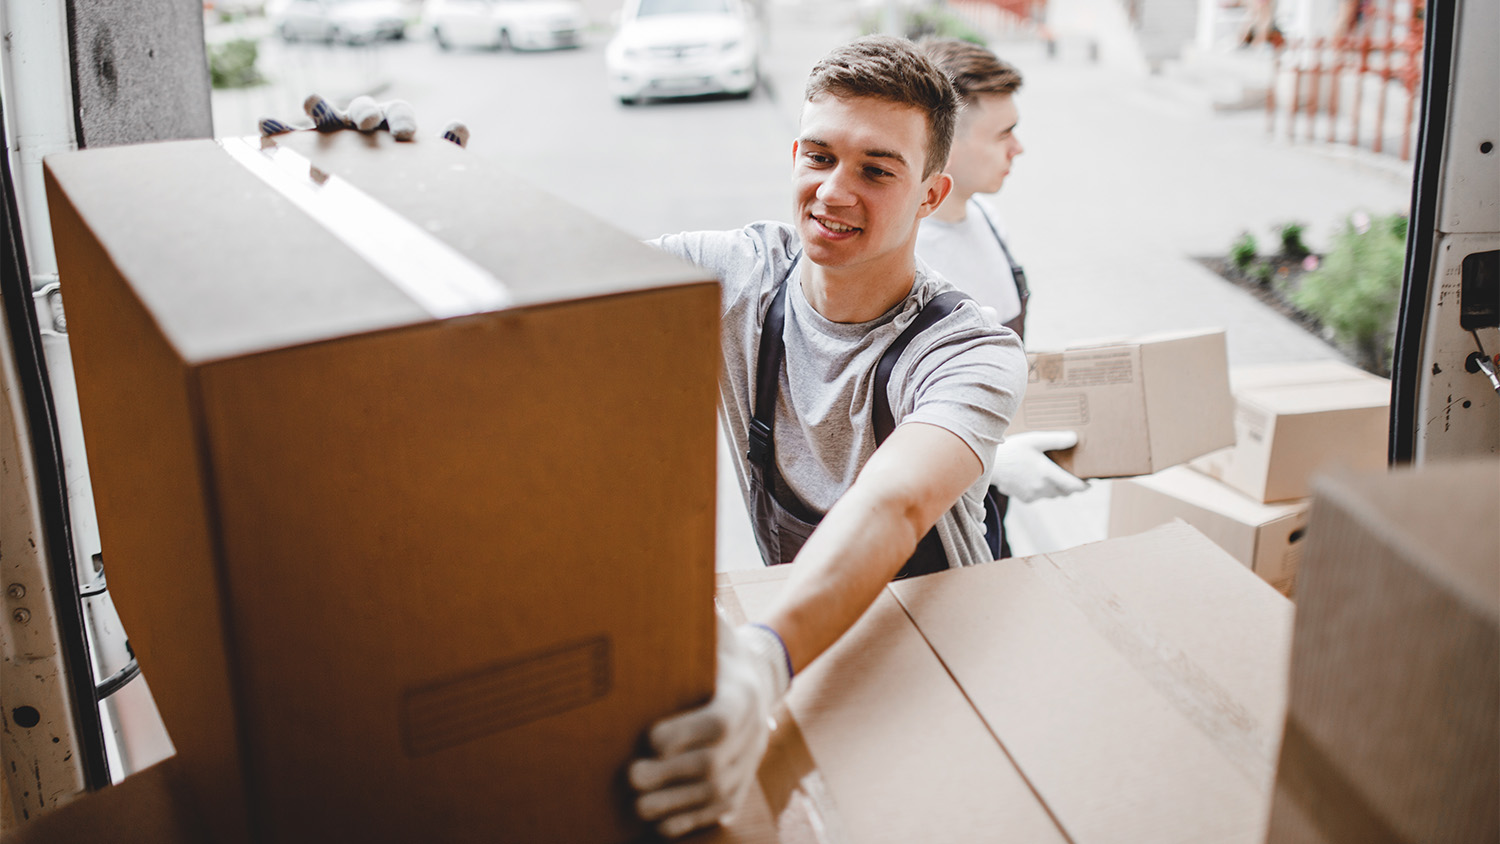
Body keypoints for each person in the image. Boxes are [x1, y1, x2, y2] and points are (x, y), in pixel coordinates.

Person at [264, 37, 1028, 839]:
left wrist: (762, 659)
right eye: (818, 154)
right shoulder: (735, 275)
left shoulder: (967, 350)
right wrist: (416, 185)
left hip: (932, 657)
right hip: (810, 642)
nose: (834, 191)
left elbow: (895, 504)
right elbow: (549, 273)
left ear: (933, 193)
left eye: (877, 169)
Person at [914, 38, 1088, 555]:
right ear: (945, 140)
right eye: (1004, 133)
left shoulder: (990, 220)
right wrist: (991, 461)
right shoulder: (905, 260)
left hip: (992, 511)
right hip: (930, 526)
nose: (1019, 147)